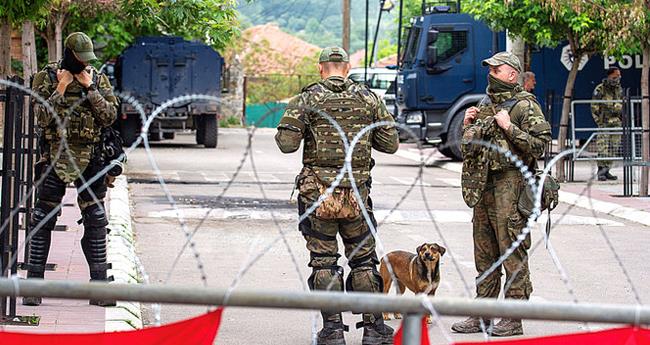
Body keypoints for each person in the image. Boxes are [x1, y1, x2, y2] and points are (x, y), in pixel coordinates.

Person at [275, 47, 399, 345]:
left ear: (321, 69)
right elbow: (390, 143)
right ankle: (374, 329)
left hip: (318, 195)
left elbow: (286, 144)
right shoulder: (368, 98)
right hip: (356, 195)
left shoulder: (307, 99)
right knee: (364, 261)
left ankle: (332, 330)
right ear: (346, 67)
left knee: (323, 261)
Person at [453, 52, 551, 336]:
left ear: (512, 75)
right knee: (484, 252)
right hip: (483, 186)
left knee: (512, 251)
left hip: (512, 184)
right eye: (490, 69)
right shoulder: (484, 103)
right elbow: (468, 150)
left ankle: (513, 317)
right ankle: (482, 313)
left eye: (497, 70)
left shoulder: (525, 105)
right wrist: (468, 126)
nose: (491, 74)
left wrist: (509, 127)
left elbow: (540, 146)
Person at [26, 32, 118, 307]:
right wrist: (61, 88)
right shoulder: (48, 76)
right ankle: (33, 285)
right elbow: (41, 119)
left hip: (90, 156)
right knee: (43, 216)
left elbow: (109, 116)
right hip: (55, 155)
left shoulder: (97, 78)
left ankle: (100, 287)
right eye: (80, 59)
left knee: (96, 218)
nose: (84, 64)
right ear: (69, 54)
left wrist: (90, 88)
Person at [591, 67, 622, 181]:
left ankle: (607, 170)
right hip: (604, 122)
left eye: (619, 76)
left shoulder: (619, 89)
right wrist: (599, 121)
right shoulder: (601, 89)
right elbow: (594, 106)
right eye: (615, 76)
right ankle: (601, 171)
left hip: (616, 122)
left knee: (614, 147)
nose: (617, 79)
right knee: (603, 147)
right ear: (609, 76)